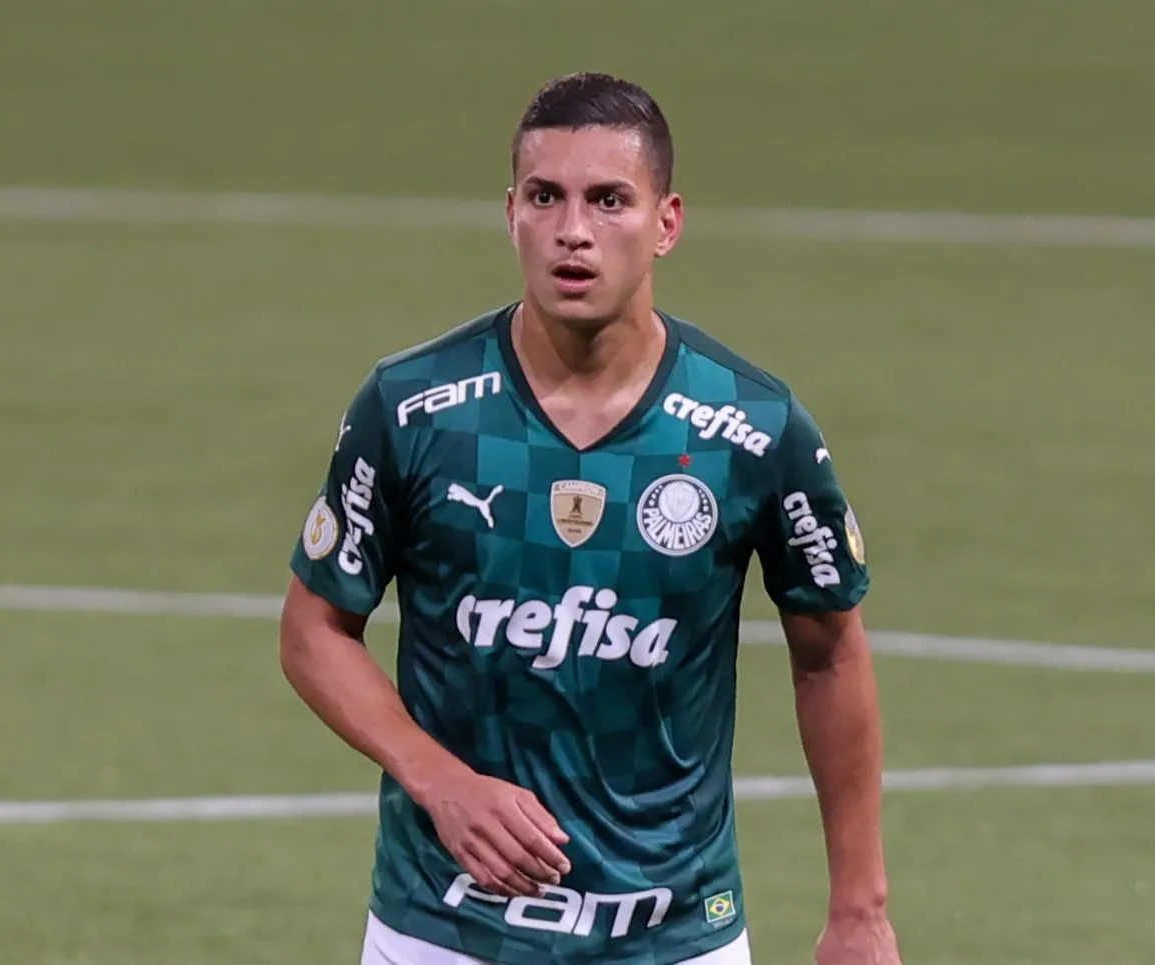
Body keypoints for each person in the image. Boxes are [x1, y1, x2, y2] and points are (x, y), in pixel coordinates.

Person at [279, 71, 901, 965]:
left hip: (674, 935)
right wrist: (439, 780)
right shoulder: (416, 409)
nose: (574, 231)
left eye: (609, 200)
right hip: (441, 931)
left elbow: (831, 651)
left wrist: (859, 906)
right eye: (546, 197)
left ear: (667, 222)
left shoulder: (751, 430)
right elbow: (313, 629)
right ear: (511, 214)